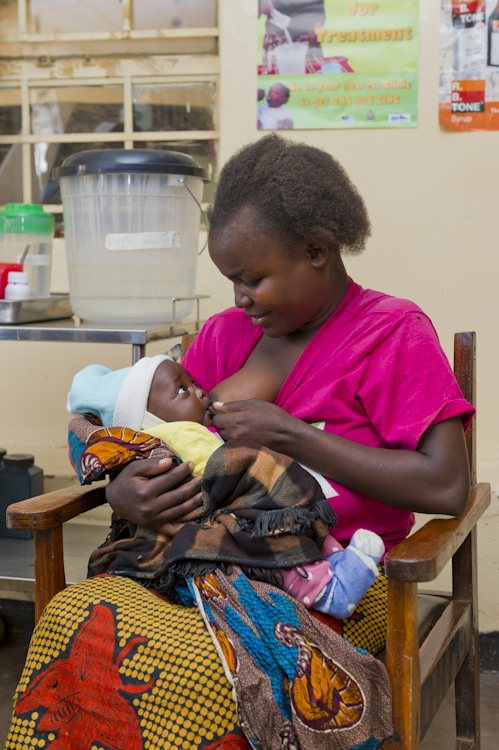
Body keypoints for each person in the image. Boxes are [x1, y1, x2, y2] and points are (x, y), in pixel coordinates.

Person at [7, 134, 473, 750]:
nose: (240, 299)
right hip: (200, 564)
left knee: (205, 674)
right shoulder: (226, 336)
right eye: (231, 280)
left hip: (339, 577)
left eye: (253, 279)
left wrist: (292, 435)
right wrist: (123, 490)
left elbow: (446, 484)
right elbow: (143, 428)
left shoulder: (391, 333)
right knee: (78, 620)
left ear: (316, 250)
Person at [67, 355, 385, 619]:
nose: (202, 393)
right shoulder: (183, 434)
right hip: (211, 524)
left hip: (220, 518)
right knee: (267, 535)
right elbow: (216, 468)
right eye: (183, 391)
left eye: (194, 384)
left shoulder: (193, 427)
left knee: (281, 521)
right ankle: (326, 590)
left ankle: (333, 569)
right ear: (150, 420)